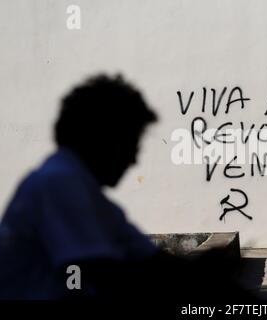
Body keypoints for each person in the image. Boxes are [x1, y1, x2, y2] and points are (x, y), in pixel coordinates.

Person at [0, 74, 253, 300]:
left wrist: (199, 270)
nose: (132, 160)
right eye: (130, 143)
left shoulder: (90, 198)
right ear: (105, 139)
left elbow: (149, 260)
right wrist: (196, 274)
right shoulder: (59, 182)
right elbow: (102, 274)